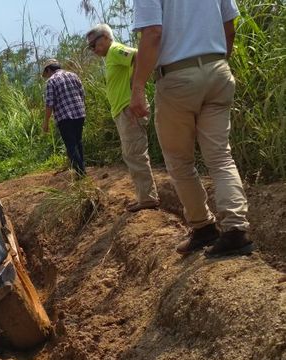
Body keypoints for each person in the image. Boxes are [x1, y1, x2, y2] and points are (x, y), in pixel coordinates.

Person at [130, 0, 253, 257]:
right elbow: (229, 26)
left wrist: (138, 87)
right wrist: (217, 63)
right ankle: (236, 230)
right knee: (220, 156)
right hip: (218, 69)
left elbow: (152, 33)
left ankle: (203, 227)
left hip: (178, 78)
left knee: (179, 161)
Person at [86, 24, 159, 212]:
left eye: (93, 44)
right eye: (90, 47)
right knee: (132, 154)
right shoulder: (111, 55)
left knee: (135, 154)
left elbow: (138, 55)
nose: (93, 49)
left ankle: (148, 198)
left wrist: (136, 87)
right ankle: (145, 196)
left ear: (105, 38)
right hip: (124, 110)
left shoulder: (115, 49)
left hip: (129, 109)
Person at [41, 58, 87, 177]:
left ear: (49, 69)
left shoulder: (51, 81)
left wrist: (45, 122)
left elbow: (49, 104)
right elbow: (82, 94)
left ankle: (81, 172)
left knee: (71, 145)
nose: (46, 76)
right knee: (78, 142)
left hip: (65, 117)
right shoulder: (73, 75)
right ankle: (81, 169)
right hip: (79, 113)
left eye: (46, 73)